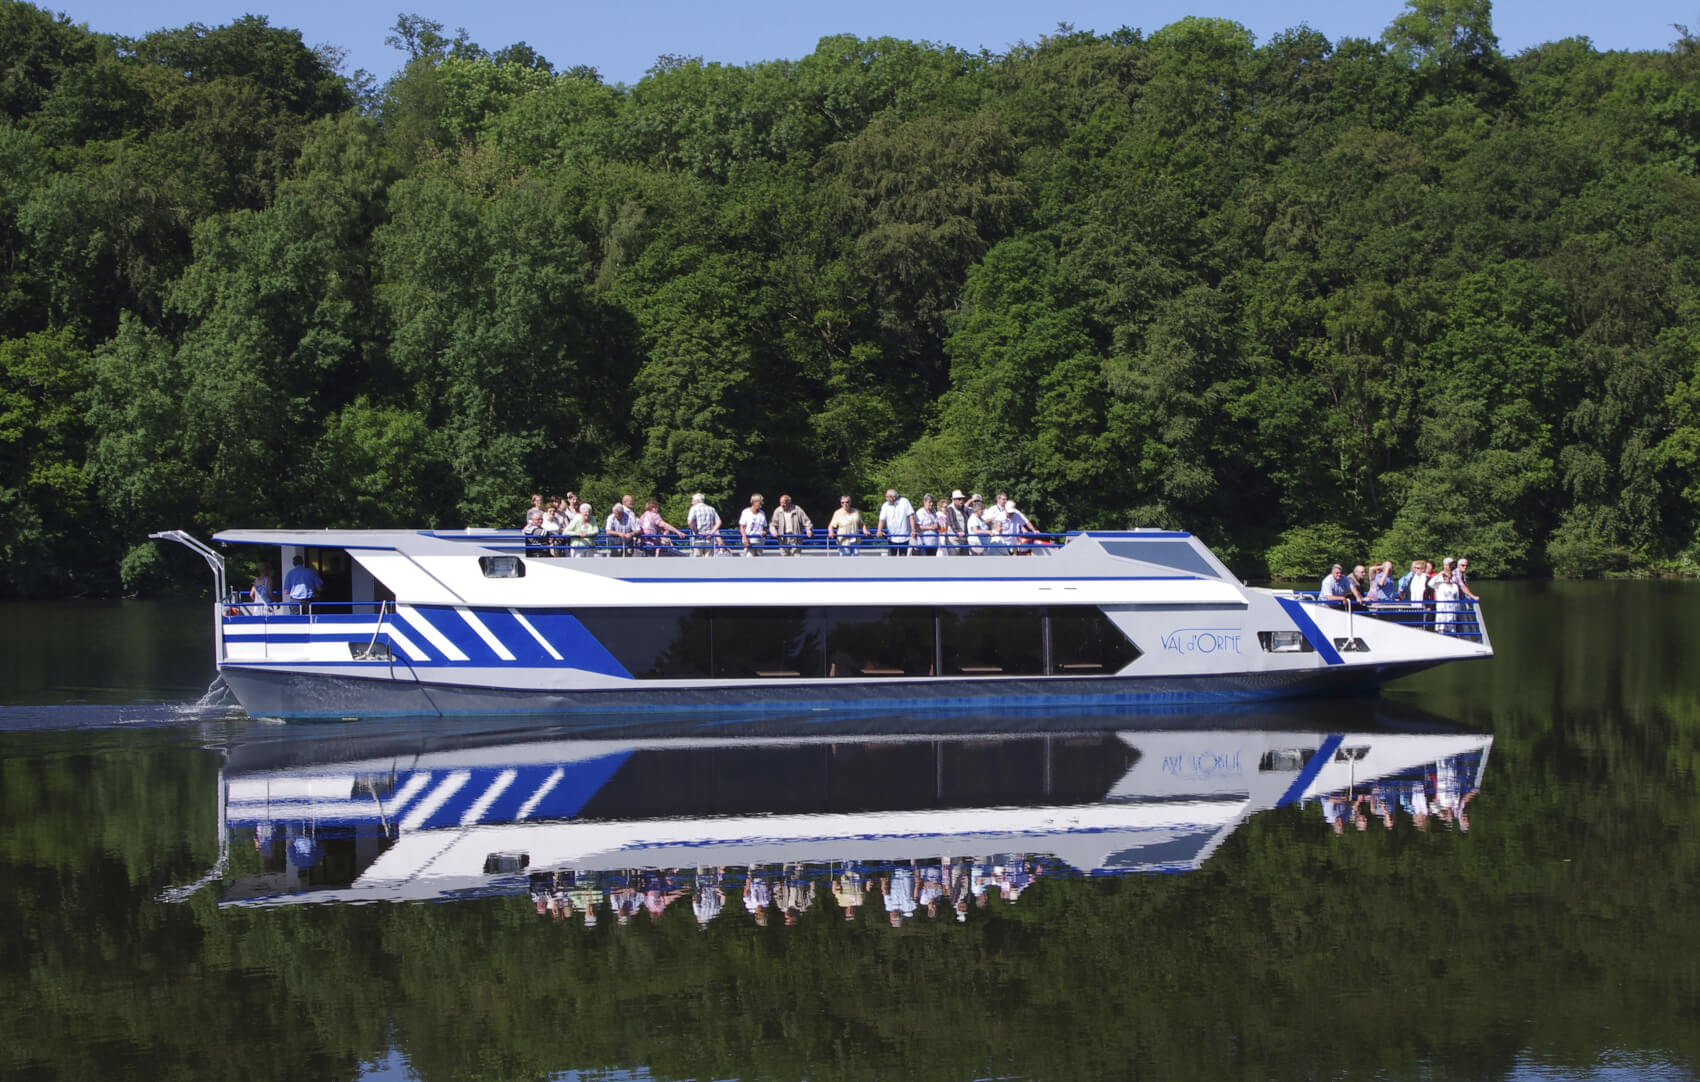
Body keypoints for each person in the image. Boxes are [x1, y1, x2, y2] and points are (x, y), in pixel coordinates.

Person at [875, 488, 915, 555]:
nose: (886, 498)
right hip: (891, 537)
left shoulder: (904, 502)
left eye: (887, 497)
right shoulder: (885, 505)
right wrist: (879, 530)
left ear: (893, 497)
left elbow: (911, 516)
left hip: (904, 537)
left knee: (903, 559)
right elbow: (882, 519)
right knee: (891, 560)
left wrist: (913, 530)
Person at [943, 490, 969, 555]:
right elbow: (952, 522)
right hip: (953, 540)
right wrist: (958, 532)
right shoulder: (950, 509)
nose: (961, 501)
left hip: (964, 539)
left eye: (962, 499)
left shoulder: (964, 508)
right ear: (954, 500)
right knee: (954, 561)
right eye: (959, 499)